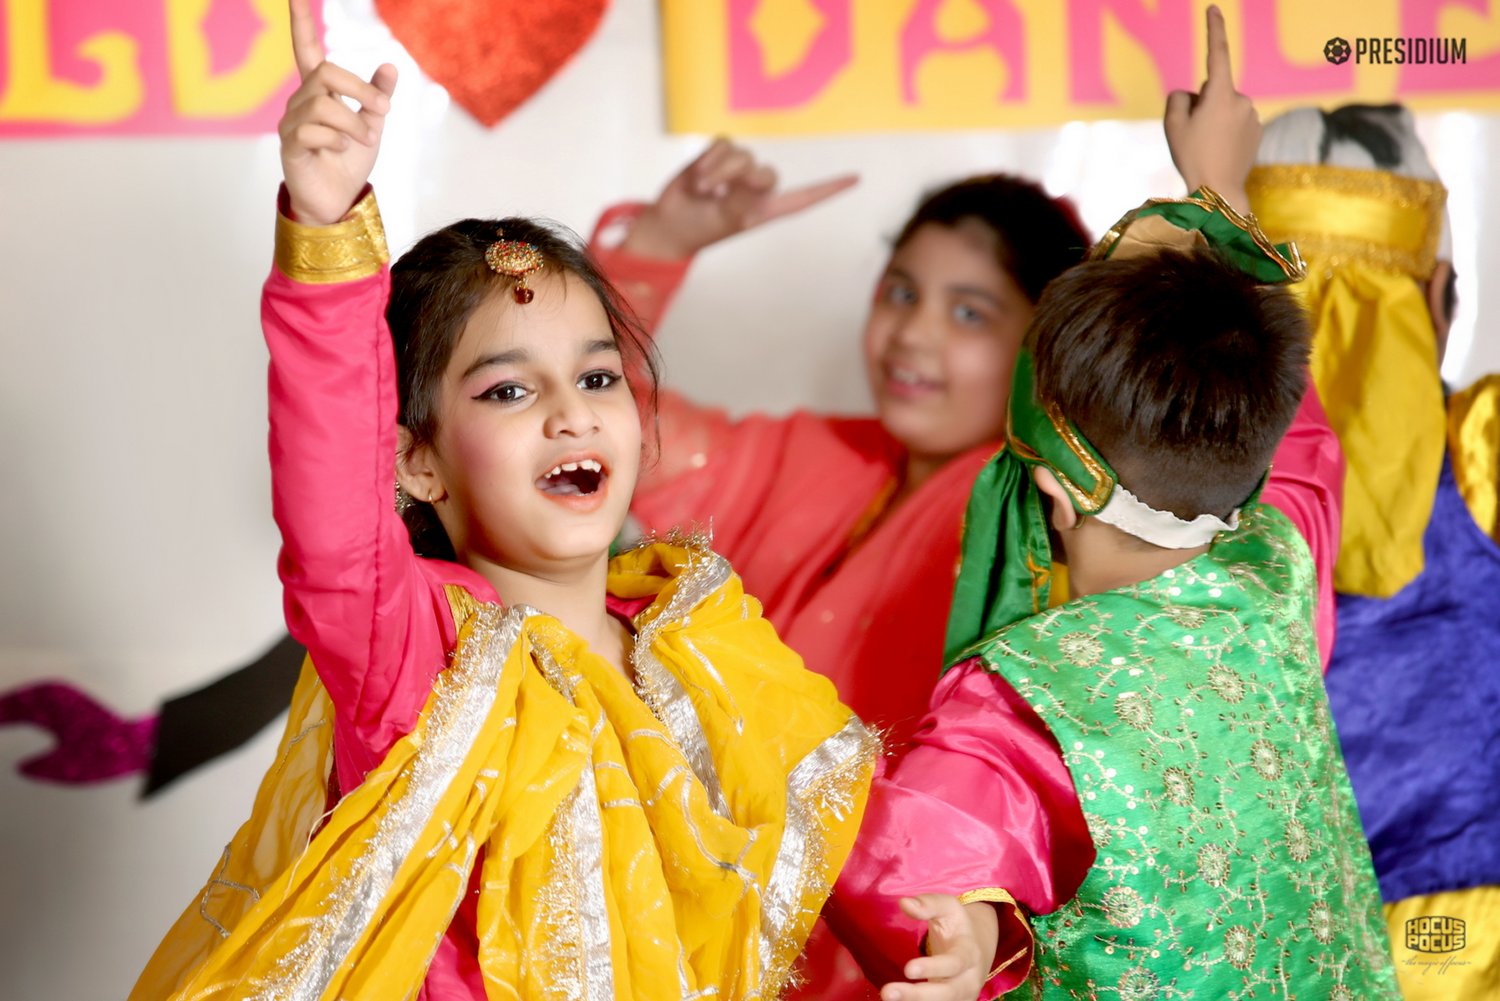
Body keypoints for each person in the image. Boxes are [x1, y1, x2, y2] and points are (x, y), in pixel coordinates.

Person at [123, 2, 1021, 996]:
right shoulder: (421, 652)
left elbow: (857, 829)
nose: (570, 413)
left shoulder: (705, 646)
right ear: (415, 460)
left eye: (598, 379)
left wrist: (964, 931)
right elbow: (332, 522)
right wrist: (328, 231)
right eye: (508, 389)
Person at [825, 10, 1398, 998]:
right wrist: (1216, 188)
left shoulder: (1021, 697)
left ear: (1050, 478)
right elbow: (1302, 442)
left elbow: (904, 874)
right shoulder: (1276, 567)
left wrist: (962, 936)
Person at [1248, 103, 1500, 1000]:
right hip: (1456, 937)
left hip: (1242, 944)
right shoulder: (1484, 449)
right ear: (1438, 292)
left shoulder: (1158, 479)